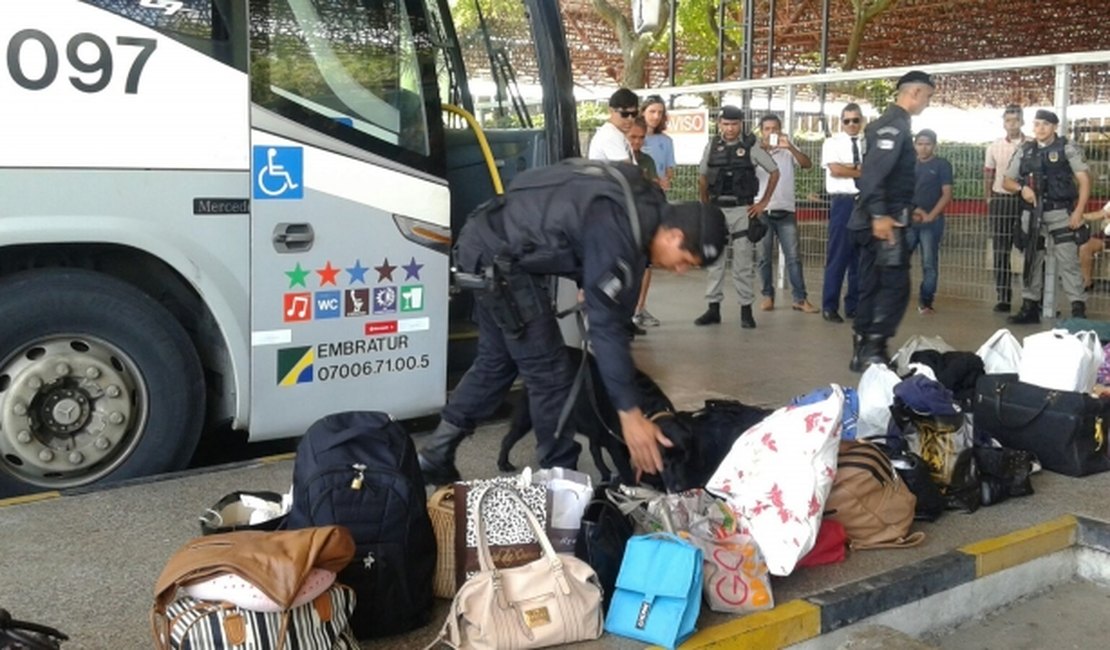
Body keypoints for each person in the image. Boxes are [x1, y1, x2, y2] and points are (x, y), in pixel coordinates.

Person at [416, 159, 728, 485]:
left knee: (497, 363)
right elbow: (606, 330)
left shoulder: (644, 207)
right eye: (685, 262)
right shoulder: (620, 235)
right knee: (551, 375)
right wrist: (630, 415)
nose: (680, 271)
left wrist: (588, 280)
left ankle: (435, 454)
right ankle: (560, 485)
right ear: (675, 236)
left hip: (488, 239)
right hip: (499, 260)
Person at [849, 70, 936, 372]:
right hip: (882, 220)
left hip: (887, 215)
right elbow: (873, 174)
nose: (927, 102)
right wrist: (880, 215)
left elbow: (891, 177)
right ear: (914, 93)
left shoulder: (893, 124)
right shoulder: (894, 126)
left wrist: (908, 208)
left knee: (873, 284)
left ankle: (864, 348)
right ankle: (872, 348)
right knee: (894, 286)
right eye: (927, 96)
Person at [694, 105, 779, 329]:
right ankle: (713, 309)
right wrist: (705, 206)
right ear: (719, 124)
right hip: (717, 209)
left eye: (734, 124)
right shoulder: (712, 146)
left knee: (743, 262)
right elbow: (702, 177)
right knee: (715, 262)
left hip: (742, 210)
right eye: (726, 124)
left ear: (740, 124)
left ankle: (746, 310)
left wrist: (763, 203)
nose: (730, 128)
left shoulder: (751, 146)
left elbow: (774, 171)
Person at [1003, 109, 1092, 323]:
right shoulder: (1025, 150)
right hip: (1032, 214)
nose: (1040, 129)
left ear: (1054, 127)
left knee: (1068, 260)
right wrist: (1021, 188)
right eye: (1036, 124)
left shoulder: (1067, 148)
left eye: (1045, 124)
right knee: (1031, 260)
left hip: (1060, 213)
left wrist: (1079, 212)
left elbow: (1085, 181)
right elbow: (1007, 180)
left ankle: (1078, 309)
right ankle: (1029, 307)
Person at [754, 113, 818, 313]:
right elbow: (745, 172)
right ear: (761, 132)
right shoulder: (755, 151)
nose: (771, 132)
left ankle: (800, 298)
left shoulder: (788, 149)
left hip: (786, 210)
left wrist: (789, 147)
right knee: (763, 257)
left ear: (780, 130)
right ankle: (767, 296)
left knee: (793, 257)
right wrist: (761, 152)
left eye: (775, 128)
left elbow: (807, 165)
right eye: (767, 129)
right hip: (762, 211)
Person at [635, 95, 678, 329]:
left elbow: (669, 170)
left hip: (655, 199)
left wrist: (663, 180)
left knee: (646, 259)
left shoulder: (666, 142)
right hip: (634, 200)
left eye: (660, 112)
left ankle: (640, 307)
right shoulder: (629, 140)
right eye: (652, 111)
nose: (656, 116)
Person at [820, 103, 866, 323]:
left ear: (861, 121)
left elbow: (874, 170)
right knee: (838, 255)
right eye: (847, 120)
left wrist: (850, 168)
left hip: (865, 202)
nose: (851, 124)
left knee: (860, 257)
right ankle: (829, 305)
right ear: (841, 121)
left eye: (855, 120)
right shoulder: (832, 143)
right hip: (843, 203)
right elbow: (835, 170)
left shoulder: (868, 142)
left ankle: (854, 305)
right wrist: (858, 170)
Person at [984, 104, 1031, 313]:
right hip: (1001, 200)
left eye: (1015, 120)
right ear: (1003, 123)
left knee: (1031, 246)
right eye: (1008, 120)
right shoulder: (994, 146)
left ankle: (1032, 298)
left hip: (1026, 200)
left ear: (1022, 121)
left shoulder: (1031, 144)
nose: (1012, 124)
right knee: (1001, 249)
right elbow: (988, 173)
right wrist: (988, 197)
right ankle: (1004, 296)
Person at [907, 129, 953, 314]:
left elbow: (947, 193)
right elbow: (902, 192)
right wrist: (913, 210)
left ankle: (926, 301)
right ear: (914, 145)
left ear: (934, 145)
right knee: (899, 261)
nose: (923, 148)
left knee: (929, 263)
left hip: (932, 223)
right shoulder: (908, 166)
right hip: (910, 221)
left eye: (927, 144)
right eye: (919, 143)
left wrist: (931, 215)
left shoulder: (942, 165)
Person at [588, 88, 638, 162]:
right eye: (624, 114)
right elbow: (626, 169)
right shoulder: (610, 134)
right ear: (611, 111)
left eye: (634, 114)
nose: (630, 119)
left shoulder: (616, 133)